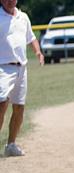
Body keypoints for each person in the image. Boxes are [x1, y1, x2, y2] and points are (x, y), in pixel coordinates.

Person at [0, 0, 43, 157]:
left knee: (19, 107)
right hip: (3, 67)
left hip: (21, 68)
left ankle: (11, 144)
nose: (10, 1)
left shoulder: (23, 17)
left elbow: (31, 38)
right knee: (2, 103)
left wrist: (38, 52)